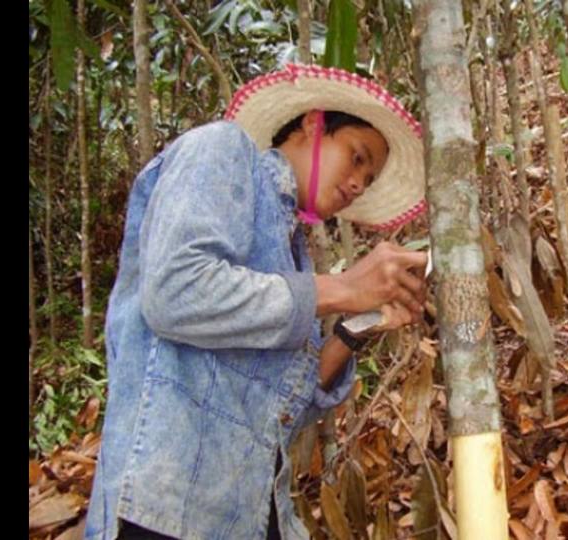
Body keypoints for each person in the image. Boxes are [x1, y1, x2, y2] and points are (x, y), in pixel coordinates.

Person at [84, 63, 429, 540]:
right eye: (356, 157)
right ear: (313, 123)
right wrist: (342, 288)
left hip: (247, 512)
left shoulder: (293, 254)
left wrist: (357, 325)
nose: (357, 184)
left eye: (367, 180)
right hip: (166, 509)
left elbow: (286, 409)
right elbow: (174, 292)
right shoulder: (221, 148)